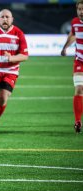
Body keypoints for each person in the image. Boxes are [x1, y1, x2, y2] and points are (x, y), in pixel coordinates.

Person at [61, 0, 83, 134]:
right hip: (79, 61)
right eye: (79, 9)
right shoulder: (75, 22)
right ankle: (77, 121)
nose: (82, 12)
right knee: (79, 88)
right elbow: (73, 34)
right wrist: (65, 48)